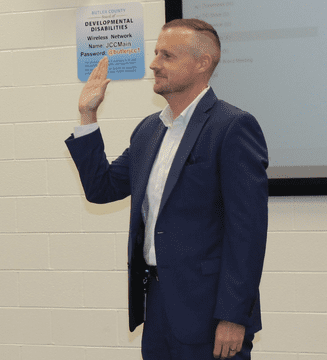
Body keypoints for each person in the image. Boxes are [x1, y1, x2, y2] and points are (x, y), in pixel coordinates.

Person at [65, 19, 268, 360]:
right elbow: (101, 189)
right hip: (157, 306)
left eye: (167, 55)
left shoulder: (232, 126)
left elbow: (247, 232)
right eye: (156, 53)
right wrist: (87, 115)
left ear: (202, 63)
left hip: (210, 310)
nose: (154, 63)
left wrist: (233, 316)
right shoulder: (148, 131)